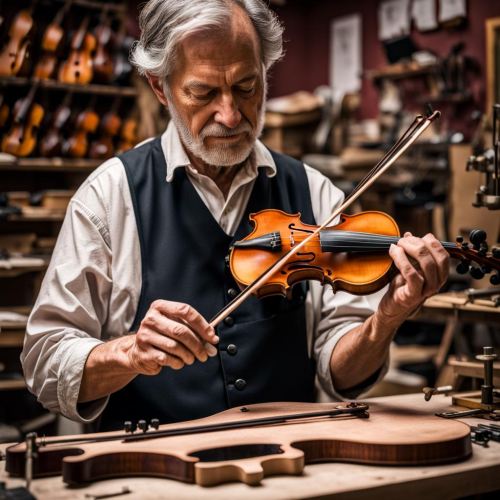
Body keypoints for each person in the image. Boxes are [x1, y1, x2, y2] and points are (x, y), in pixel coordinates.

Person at [22, 0, 450, 431]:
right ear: (160, 88)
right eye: (203, 92)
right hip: (152, 478)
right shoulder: (109, 196)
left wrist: (385, 320)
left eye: (247, 86)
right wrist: (128, 353)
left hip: (292, 469)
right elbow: (45, 363)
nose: (230, 115)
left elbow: (341, 374)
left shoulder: (317, 195)